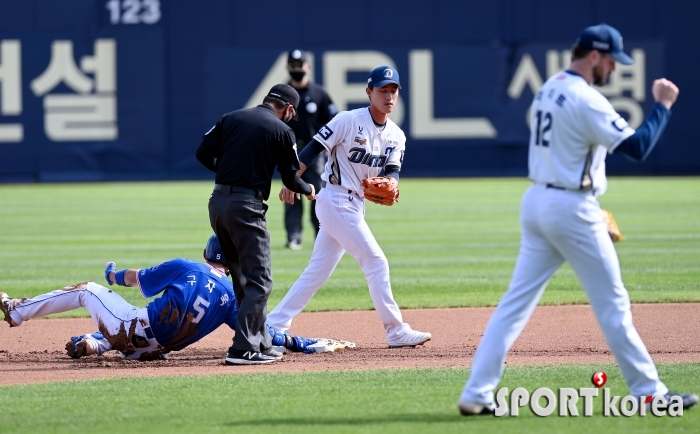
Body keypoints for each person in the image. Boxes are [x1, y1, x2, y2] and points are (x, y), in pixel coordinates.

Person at [457, 23, 697, 416]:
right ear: (594, 56)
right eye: (611, 60)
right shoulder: (587, 98)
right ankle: (650, 394)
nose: (614, 69)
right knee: (614, 304)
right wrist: (663, 106)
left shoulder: (549, 87)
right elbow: (637, 147)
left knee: (514, 305)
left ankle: (477, 392)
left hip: (537, 200)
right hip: (572, 207)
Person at [267, 66, 431, 349]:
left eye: (393, 91)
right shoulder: (347, 120)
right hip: (334, 200)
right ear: (369, 92)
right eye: (383, 90)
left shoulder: (396, 135)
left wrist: (391, 183)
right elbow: (312, 150)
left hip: (355, 205)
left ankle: (272, 324)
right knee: (376, 262)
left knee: (317, 271)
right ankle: (395, 331)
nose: (389, 96)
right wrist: (291, 180)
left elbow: (392, 172)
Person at [0, 235, 318, 361]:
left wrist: (112, 275)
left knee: (87, 290)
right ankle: (96, 342)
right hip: (155, 352)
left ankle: (16, 310)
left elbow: (136, 278)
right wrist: (298, 342)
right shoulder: (231, 301)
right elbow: (260, 333)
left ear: (207, 252)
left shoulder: (186, 267)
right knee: (133, 323)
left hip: (135, 330)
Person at [196, 84, 316, 365]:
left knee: (241, 278)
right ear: (288, 108)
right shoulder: (282, 131)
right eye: (292, 113)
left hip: (218, 204)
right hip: (246, 208)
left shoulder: (231, 117)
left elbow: (202, 152)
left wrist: (229, 173)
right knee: (260, 279)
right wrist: (311, 189)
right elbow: (291, 179)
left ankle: (259, 341)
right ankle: (243, 349)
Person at [283, 49, 338, 250]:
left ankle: (320, 235)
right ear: (288, 67)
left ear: (308, 66)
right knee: (291, 193)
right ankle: (294, 237)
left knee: (317, 194)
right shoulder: (284, 93)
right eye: (293, 65)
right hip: (289, 150)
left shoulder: (319, 93)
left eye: (300, 65)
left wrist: (329, 147)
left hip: (314, 151)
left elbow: (334, 122)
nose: (297, 69)